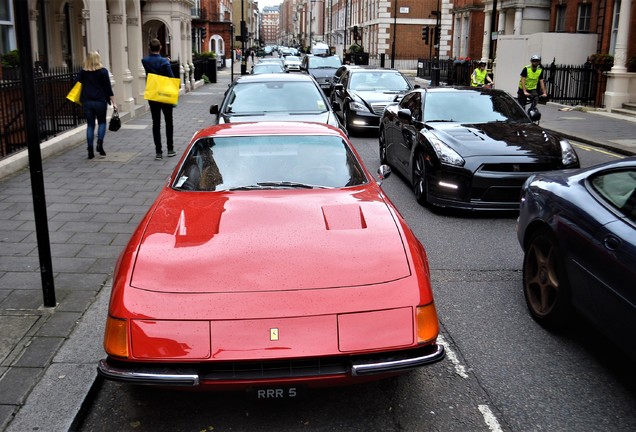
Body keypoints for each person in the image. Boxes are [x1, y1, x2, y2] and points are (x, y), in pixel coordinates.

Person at [76, 51, 117, 159]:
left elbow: (76, 84)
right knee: (102, 122)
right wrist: (114, 103)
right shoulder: (103, 72)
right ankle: (100, 143)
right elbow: (108, 89)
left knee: (90, 125)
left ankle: (90, 150)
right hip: (100, 101)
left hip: (87, 102)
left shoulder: (83, 72)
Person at [142, 38, 176, 160]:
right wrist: (167, 62)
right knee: (169, 122)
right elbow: (171, 78)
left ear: (149, 48)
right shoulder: (164, 62)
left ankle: (158, 152)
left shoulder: (145, 61)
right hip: (165, 94)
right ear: (160, 47)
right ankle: (170, 149)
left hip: (153, 94)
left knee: (156, 123)